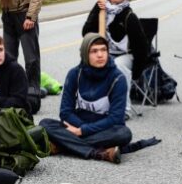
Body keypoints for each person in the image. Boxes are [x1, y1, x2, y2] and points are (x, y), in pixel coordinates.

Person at [40, 33, 131, 163]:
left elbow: (116, 118)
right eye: (94, 51)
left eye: (103, 50)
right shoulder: (74, 74)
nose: (100, 55)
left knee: (124, 134)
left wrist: (82, 131)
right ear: (85, 54)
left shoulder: (118, 78)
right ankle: (100, 153)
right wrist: (81, 128)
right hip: (79, 122)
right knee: (45, 124)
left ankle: (62, 145)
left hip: (105, 128)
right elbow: (65, 112)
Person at [81, 0, 148, 120]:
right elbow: (86, 34)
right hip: (107, 53)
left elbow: (142, 47)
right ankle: (91, 106)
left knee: (118, 65)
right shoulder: (101, 10)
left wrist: (137, 72)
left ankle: (124, 110)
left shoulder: (129, 16)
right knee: (88, 62)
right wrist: (95, 11)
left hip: (126, 55)